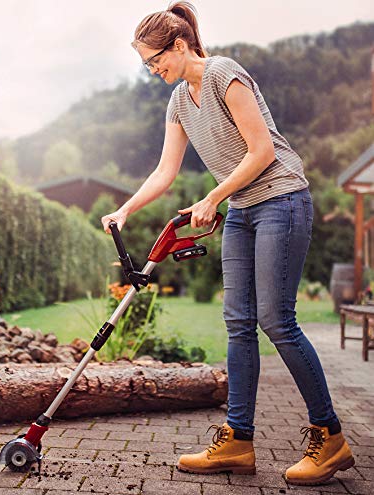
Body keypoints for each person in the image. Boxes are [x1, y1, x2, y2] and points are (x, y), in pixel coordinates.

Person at [101, 1, 355, 486]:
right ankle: (238, 441)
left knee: (276, 320)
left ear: (179, 45)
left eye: (157, 60)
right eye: (147, 65)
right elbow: (164, 171)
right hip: (240, 211)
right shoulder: (178, 102)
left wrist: (213, 196)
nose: (154, 70)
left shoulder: (223, 73)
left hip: (281, 198)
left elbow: (261, 151)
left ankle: (331, 436)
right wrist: (126, 209)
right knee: (238, 322)